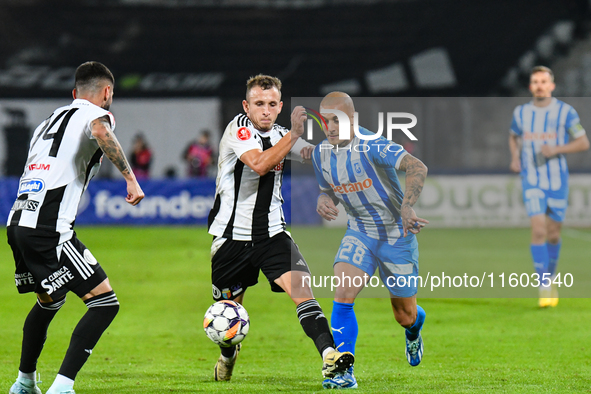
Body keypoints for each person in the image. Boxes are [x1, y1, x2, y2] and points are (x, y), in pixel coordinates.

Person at [6, 61, 144, 394]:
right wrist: (130, 178)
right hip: (50, 228)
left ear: (74, 93)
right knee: (104, 302)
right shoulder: (96, 115)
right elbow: (99, 131)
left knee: (49, 301)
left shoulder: (46, 122)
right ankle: (62, 387)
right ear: (107, 92)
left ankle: (24, 383)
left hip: (18, 222)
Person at [207, 75, 354, 385]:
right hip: (231, 240)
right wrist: (296, 135)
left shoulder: (283, 134)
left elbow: (314, 156)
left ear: (280, 106)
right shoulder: (238, 130)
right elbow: (259, 164)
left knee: (302, 291)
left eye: (272, 104)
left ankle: (329, 355)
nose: (266, 110)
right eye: (259, 104)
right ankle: (228, 355)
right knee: (228, 316)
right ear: (247, 105)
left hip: (272, 234)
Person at [310, 92, 429, 389]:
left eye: (336, 120)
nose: (330, 127)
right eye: (326, 121)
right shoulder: (320, 153)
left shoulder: (373, 145)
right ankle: (342, 371)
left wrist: (406, 205)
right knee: (343, 294)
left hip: (395, 236)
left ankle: (414, 330)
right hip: (359, 232)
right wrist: (324, 199)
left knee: (405, 315)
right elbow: (328, 189)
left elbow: (417, 167)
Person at [509, 66, 589, 308]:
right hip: (532, 179)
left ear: (552, 86)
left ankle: (550, 276)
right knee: (539, 230)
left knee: (554, 234)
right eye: (535, 81)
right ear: (530, 86)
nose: (540, 85)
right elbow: (513, 136)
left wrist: (557, 149)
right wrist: (515, 157)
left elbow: (583, 142)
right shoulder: (521, 113)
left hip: (557, 181)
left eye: (544, 81)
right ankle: (544, 286)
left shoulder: (566, 112)